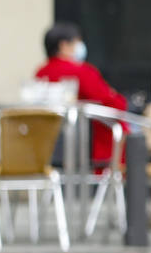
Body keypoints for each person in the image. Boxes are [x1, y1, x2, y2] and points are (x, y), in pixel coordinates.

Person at [36, 21, 127, 166]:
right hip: (92, 152)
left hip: (48, 154)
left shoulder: (41, 73)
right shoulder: (81, 71)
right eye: (78, 42)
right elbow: (114, 103)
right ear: (64, 45)